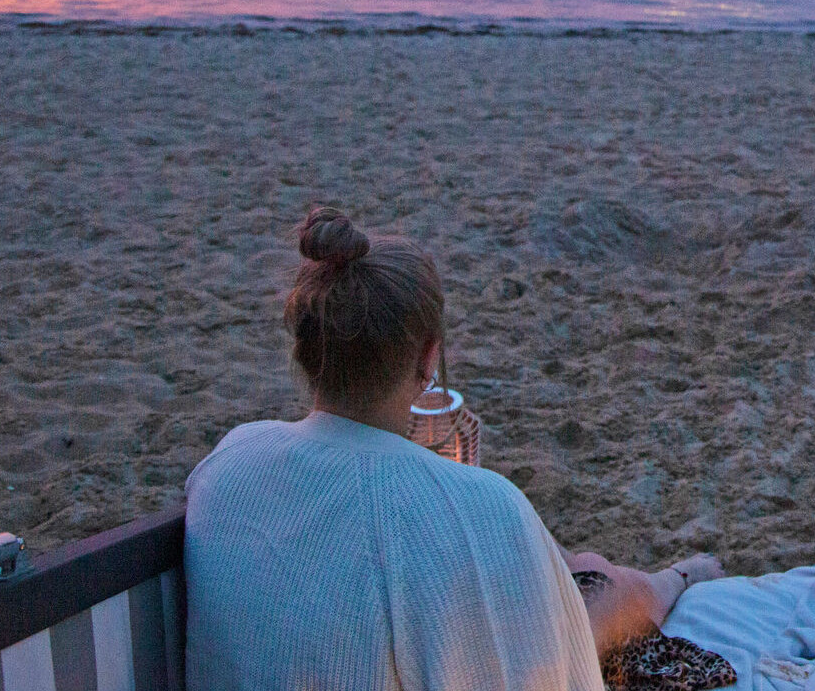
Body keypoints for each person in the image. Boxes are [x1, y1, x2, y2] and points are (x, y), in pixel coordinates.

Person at [185, 207, 721, 691]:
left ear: (303, 349)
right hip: (488, 562)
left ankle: (666, 579)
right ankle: (672, 581)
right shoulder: (479, 507)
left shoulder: (229, 462)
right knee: (594, 588)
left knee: (575, 569)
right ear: (427, 358)